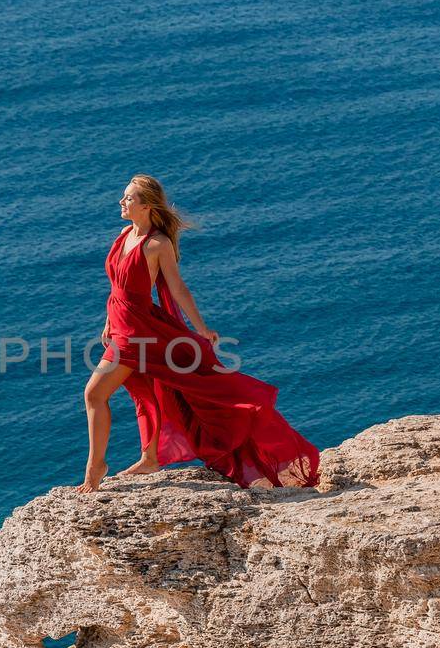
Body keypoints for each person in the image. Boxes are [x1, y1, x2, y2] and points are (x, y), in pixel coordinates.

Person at [76, 174, 320, 493]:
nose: (122, 202)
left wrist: (200, 328)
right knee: (146, 393)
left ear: (147, 205)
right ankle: (149, 457)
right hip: (121, 324)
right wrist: (109, 318)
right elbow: (117, 286)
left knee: (94, 394)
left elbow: (177, 287)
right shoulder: (123, 235)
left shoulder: (157, 244)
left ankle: (95, 467)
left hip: (138, 333)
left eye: (129, 198)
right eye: (124, 196)